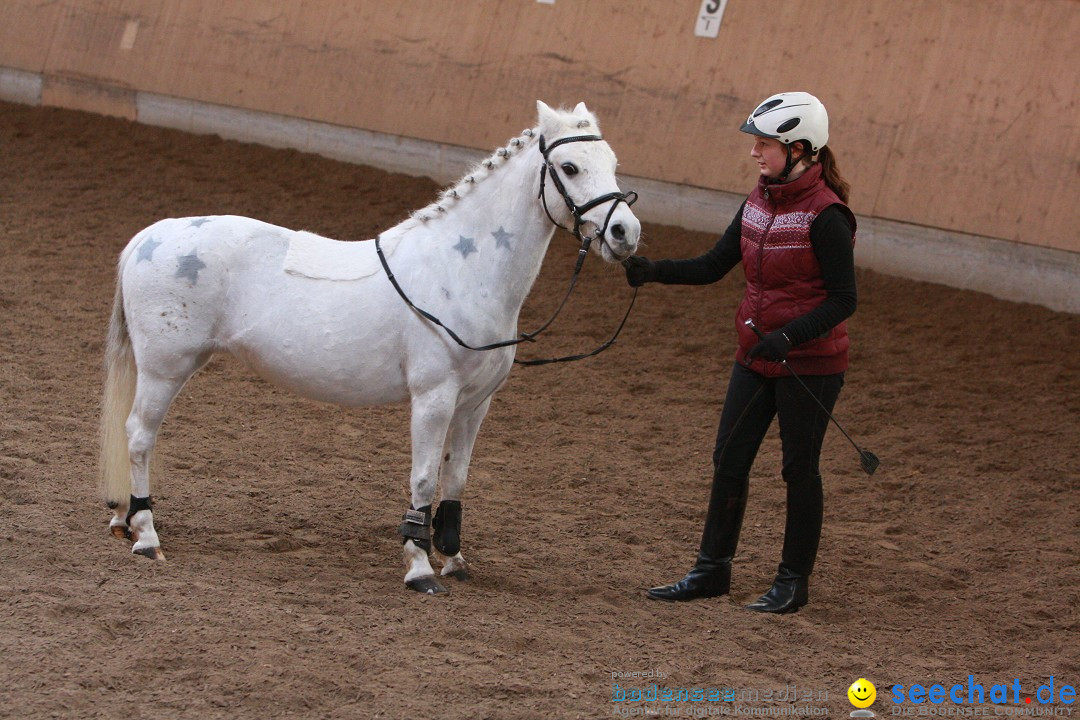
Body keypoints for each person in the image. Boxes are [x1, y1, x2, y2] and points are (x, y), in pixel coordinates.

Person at [625, 92, 857, 613]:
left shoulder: (828, 217)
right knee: (729, 459)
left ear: (799, 148)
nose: (754, 152)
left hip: (811, 366)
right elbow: (714, 264)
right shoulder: (758, 201)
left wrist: (791, 337)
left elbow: (845, 299)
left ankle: (792, 582)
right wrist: (656, 270)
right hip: (755, 355)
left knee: (800, 471)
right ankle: (711, 570)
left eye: (764, 143)